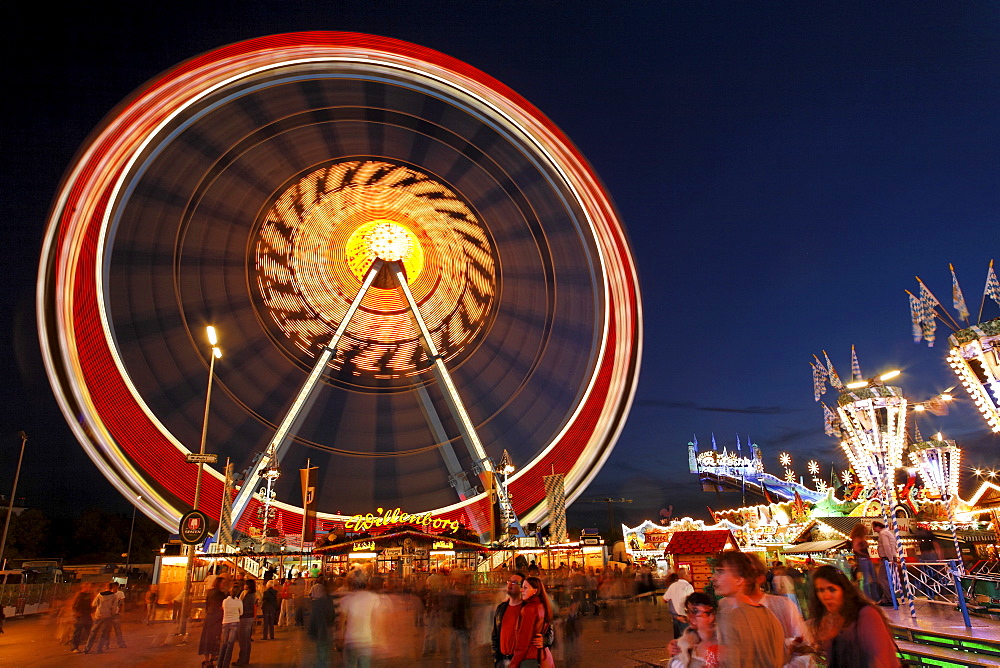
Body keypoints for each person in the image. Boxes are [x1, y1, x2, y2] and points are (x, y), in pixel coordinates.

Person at [804, 564, 897, 667]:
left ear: (843, 590)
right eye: (820, 590)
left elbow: (882, 659)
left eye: (832, 589)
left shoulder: (866, 614)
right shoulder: (831, 619)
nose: (826, 596)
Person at [711, 551, 784, 667]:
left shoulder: (730, 616)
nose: (713, 578)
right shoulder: (768, 615)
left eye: (721, 572)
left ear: (740, 579)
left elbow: (730, 662)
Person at [491, 571, 551, 668]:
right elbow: (495, 636)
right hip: (503, 660)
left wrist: (545, 640)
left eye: (514, 582)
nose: (510, 584)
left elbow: (548, 630)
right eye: (509, 581)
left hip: (521, 661)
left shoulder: (528, 608)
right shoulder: (501, 608)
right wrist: (496, 659)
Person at [510, 576, 554, 668]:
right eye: (522, 587)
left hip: (530, 659)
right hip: (544, 657)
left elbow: (523, 642)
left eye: (525, 588)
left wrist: (513, 664)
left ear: (535, 591)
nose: (522, 590)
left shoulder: (529, 609)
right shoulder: (542, 606)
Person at [668, 592, 719, 668]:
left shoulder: (725, 640)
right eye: (688, 611)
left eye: (695, 611)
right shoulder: (682, 644)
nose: (690, 617)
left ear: (711, 615)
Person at [338, 577, 380, 668]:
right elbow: (376, 619)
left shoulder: (346, 599)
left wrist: (340, 639)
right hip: (366, 640)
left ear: (351, 586)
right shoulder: (373, 598)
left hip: (350, 640)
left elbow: (341, 622)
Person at [200, 575, 227, 667]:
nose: (224, 584)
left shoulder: (210, 592)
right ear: (219, 583)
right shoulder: (220, 594)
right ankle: (211, 657)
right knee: (214, 638)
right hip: (216, 618)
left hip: (210, 616)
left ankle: (207, 658)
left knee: (207, 637)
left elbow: (207, 604)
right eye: (223, 583)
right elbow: (221, 606)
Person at [84, 582, 118, 654]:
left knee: (93, 632)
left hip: (98, 615)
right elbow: (114, 608)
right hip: (107, 616)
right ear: (111, 588)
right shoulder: (114, 596)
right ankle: (99, 649)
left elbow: (94, 604)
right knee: (103, 633)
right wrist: (112, 614)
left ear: (105, 587)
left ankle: (87, 648)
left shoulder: (99, 595)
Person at [851, 523, 879, 602]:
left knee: (873, 579)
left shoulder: (860, 538)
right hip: (863, 559)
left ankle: (874, 597)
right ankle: (869, 598)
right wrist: (864, 554)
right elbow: (856, 549)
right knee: (867, 580)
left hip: (865, 559)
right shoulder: (857, 539)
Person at [872, 521, 898, 606]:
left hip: (886, 558)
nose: (873, 529)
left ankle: (890, 598)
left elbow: (886, 546)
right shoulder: (887, 532)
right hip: (889, 557)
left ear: (877, 527)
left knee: (882, 578)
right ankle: (885, 598)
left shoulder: (883, 534)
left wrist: (890, 558)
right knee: (886, 578)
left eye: (874, 527)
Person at [663, 568, 694, 638]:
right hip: (685, 617)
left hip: (676, 617)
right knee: (687, 639)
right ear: (684, 576)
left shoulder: (672, 586)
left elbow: (665, 599)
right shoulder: (688, 586)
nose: (691, 575)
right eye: (689, 574)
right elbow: (691, 602)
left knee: (677, 639)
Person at [217, 586, 243, 668]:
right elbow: (241, 613)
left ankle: (219, 664)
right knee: (230, 644)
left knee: (224, 643)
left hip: (225, 622)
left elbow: (224, 610)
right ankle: (226, 664)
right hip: (235, 622)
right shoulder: (239, 602)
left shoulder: (225, 601)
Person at [234, 579, 257, 665]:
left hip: (244, 617)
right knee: (246, 639)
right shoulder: (253, 594)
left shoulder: (245, 594)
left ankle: (242, 660)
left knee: (243, 639)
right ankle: (246, 659)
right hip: (250, 617)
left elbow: (240, 605)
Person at [69, 583, 94, 653]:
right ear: (84, 587)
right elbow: (74, 605)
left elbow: (91, 605)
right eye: (88, 587)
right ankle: (75, 647)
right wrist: (77, 613)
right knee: (78, 632)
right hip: (80, 616)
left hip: (87, 615)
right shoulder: (79, 595)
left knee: (89, 631)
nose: (89, 588)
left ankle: (87, 647)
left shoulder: (89, 595)